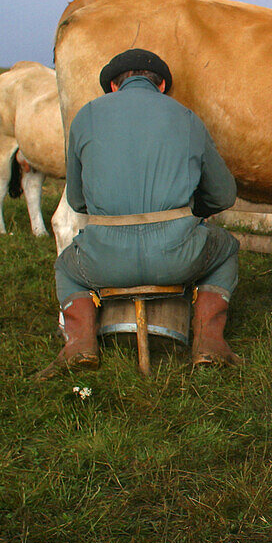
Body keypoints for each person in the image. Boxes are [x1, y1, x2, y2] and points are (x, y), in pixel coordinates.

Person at [36, 49, 242, 380]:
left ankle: (80, 346)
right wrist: (189, 215)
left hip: (104, 262)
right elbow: (223, 194)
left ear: (114, 87)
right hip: (178, 258)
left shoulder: (85, 116)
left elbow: (76, 200)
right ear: (161, 85)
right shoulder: (187, 116)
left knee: (66, 268)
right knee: (226, 249)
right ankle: (209, 344)